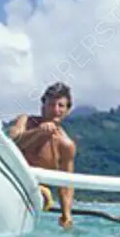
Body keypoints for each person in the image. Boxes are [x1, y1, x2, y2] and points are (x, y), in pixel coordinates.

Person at [8, 81, 76, 228]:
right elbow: (10, 144)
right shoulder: (25, 122)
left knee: (43, 192)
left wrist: (66, 215)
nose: (55, 110)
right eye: (51, 104)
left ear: (67, 110)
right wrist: (38, 132)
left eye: (61, 106)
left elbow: (66, 183)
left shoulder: (66, 145)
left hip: (36, 193)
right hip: (9, 181)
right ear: (43, 106)